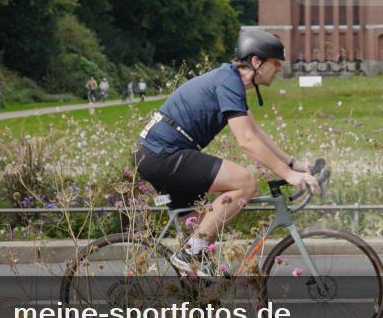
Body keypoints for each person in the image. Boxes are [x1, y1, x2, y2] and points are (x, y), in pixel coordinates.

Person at [133, 30, 320, 276]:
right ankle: (189, 254)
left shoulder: (228, 81)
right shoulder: (228, 83)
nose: (279, 69)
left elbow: (255, 132)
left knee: (199, 229)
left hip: (157, 154)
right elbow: (247, 141)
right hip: (164, 154)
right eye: (275, 63)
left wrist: (293, 164)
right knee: (245, 182)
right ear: (256, 62)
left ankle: (195, 299)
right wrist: (288, 175)